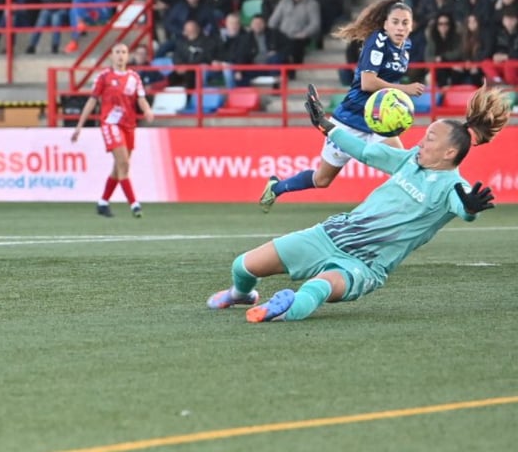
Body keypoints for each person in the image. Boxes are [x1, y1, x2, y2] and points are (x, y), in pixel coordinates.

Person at [209, 85, 507, 323]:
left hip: (363, 264)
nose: (419, 142)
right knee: (244, 266)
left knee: (317, 287)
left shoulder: (454, 187)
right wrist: (325, 125)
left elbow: (462, 207)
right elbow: (362, 151)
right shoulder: (407, 160)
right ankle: (242, 295)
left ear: (449, 152)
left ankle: (282, 312)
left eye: (429, 139)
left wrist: (469, 208)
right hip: (330, 235)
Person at [260, 0, 425, 212]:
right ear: (385, 24)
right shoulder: (378, 41)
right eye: (395, 21)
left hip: (378, 119)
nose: (400, 27)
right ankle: (277, 187)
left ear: (412, 26)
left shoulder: (406, 46)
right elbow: (367, 82)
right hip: (351, 119)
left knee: (403, 168)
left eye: (405, 23)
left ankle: (397, 215)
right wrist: (405, 89)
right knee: (322, 180)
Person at [68, 44, 155, 218]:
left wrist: (147, 110)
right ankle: (134, 204)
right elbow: (92, 101)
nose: (121, 56)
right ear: (111, 56)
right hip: (110, 124)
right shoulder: (104, 77)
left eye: (124, 52)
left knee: (119, 166)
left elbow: (141, 98)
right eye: (117, 52)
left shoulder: (134, 77)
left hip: (128, 125)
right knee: (124, 163)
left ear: (127, 55)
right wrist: (80, 126)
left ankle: (103, 202)